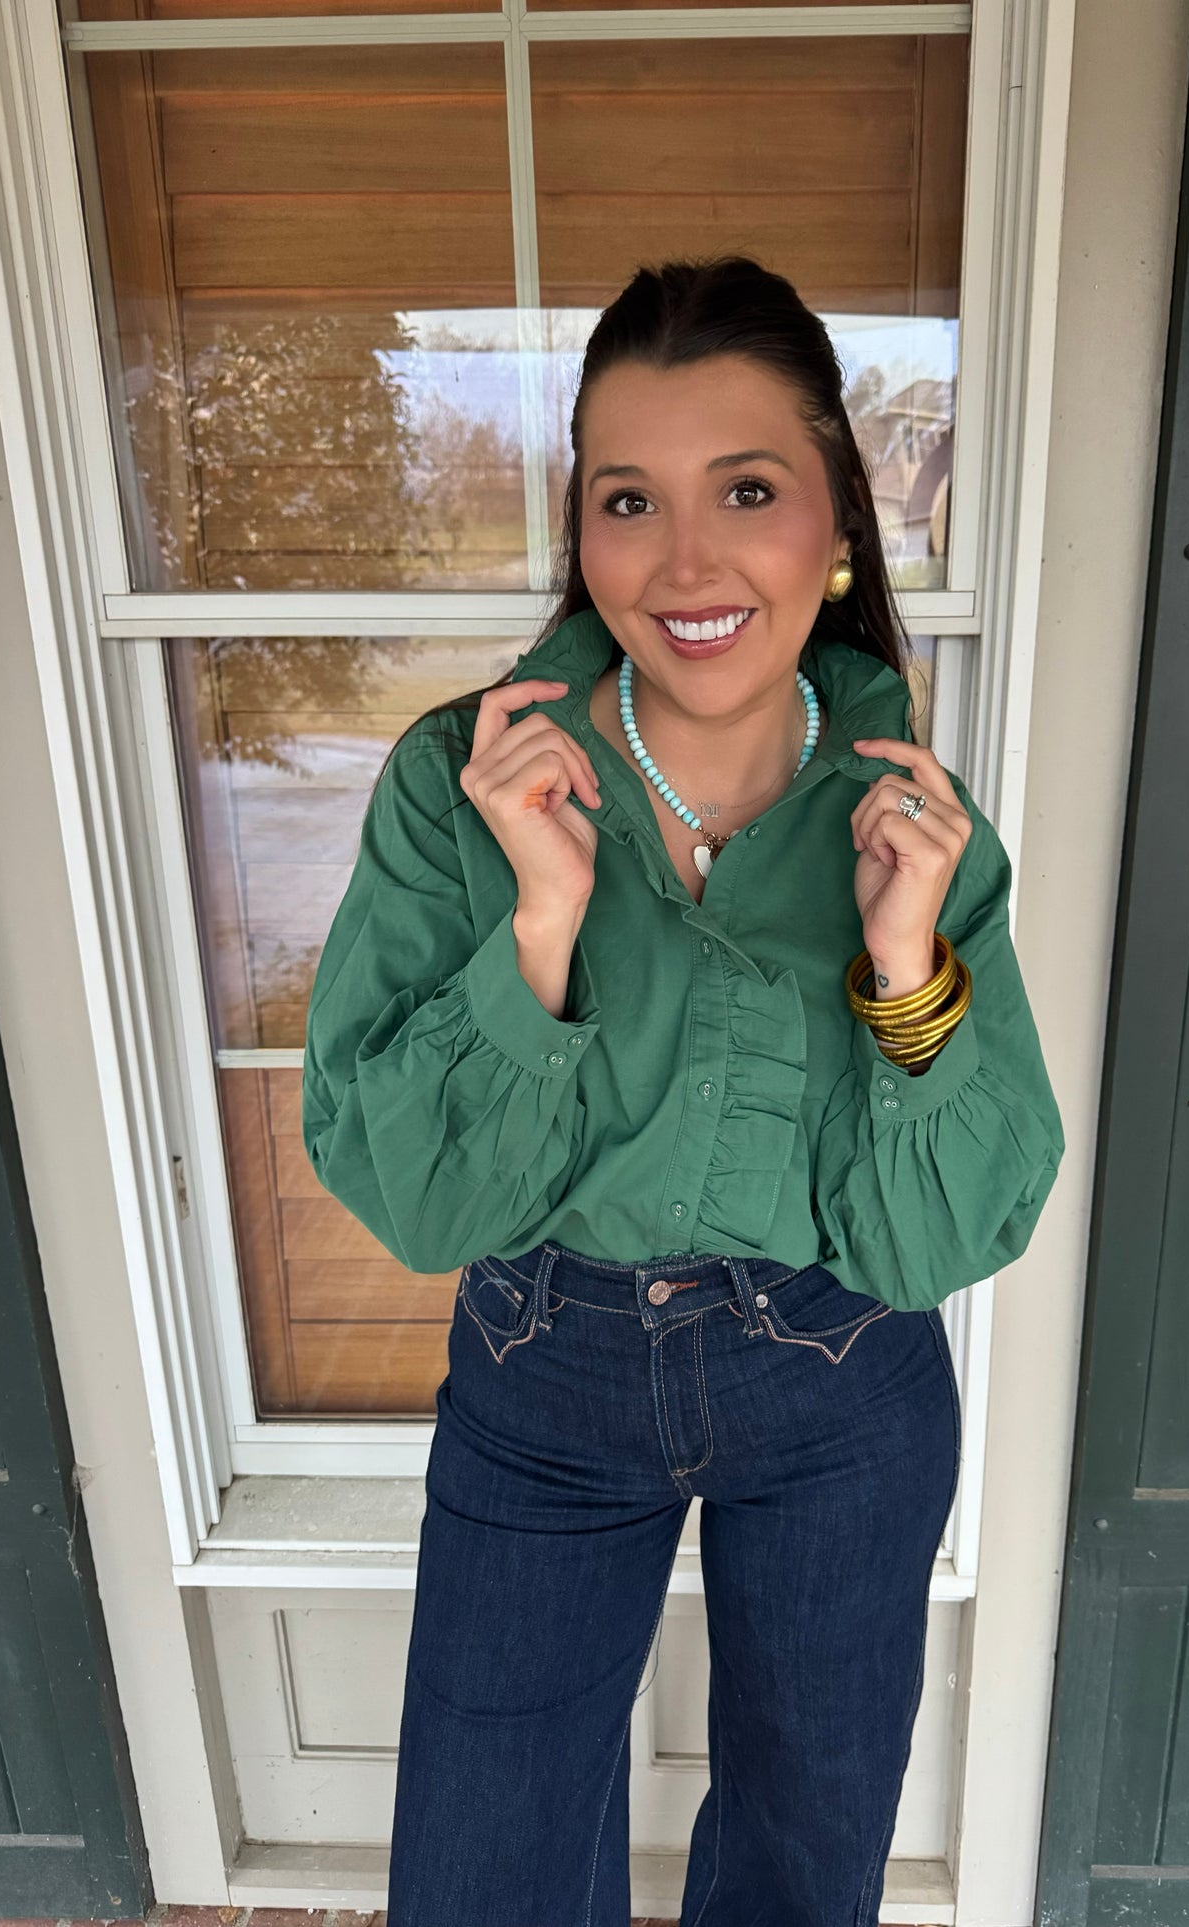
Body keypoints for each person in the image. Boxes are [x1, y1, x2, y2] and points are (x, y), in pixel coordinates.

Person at [302, 255, 1065, 1927]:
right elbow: (423, 1198)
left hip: (839, 1376)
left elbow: (953, 1222)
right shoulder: (461, 785)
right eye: (627, 497)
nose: (686, 558)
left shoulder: (906, 818)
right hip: (540, 1367)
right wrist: (544, 923)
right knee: (482, 1872)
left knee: (808, 1848)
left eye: (748, 488)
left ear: (837, 527)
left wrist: (903, 965)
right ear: (581, 533)